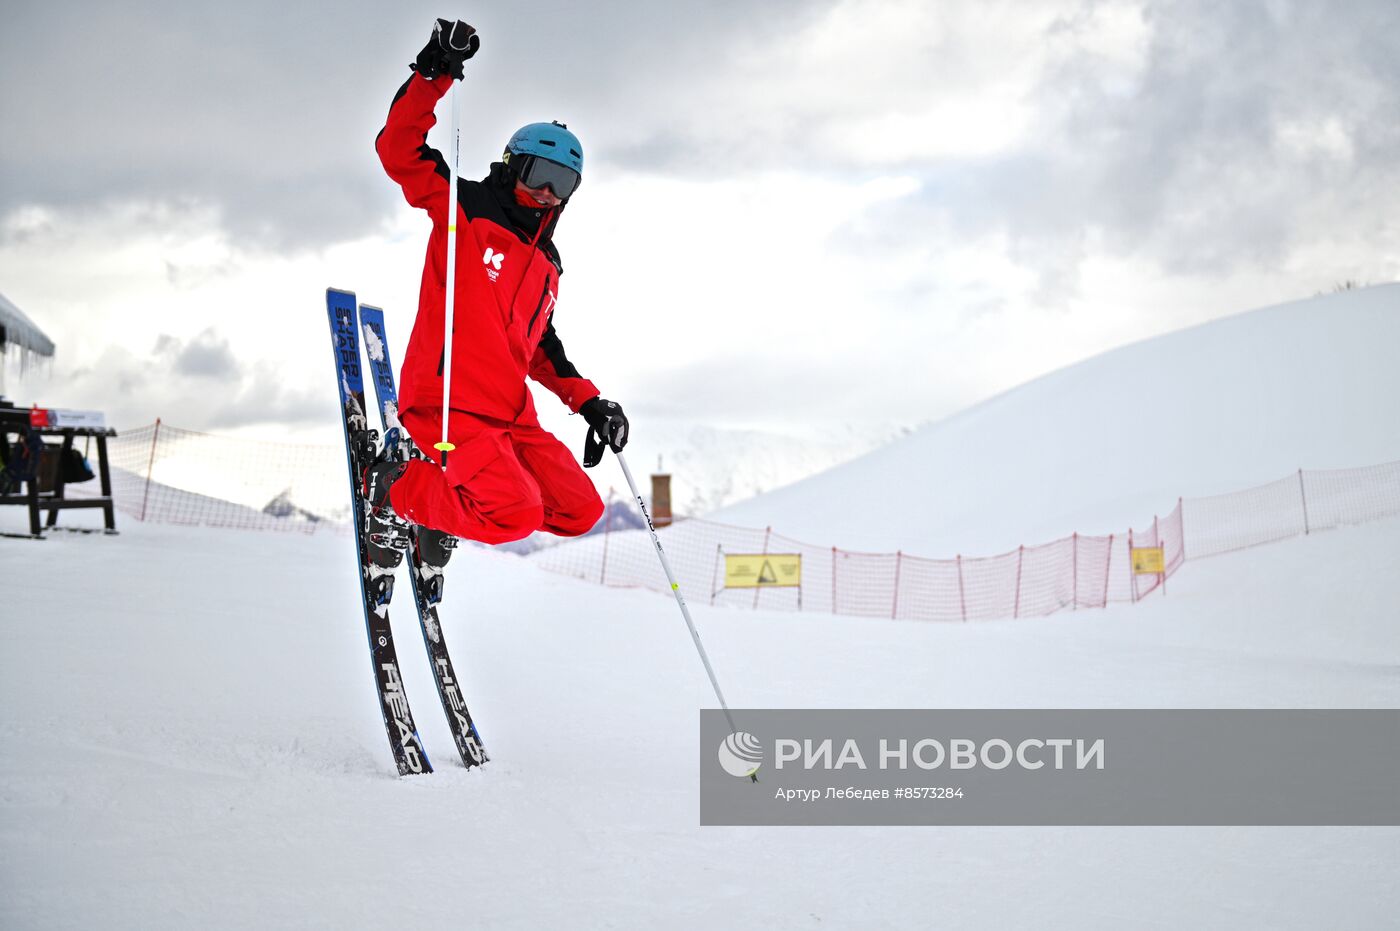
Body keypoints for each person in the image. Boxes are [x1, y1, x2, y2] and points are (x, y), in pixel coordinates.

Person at [366, 18, 629, 569]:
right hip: (448, 405)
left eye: (564, 184)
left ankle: (445, 504)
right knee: (514, 516)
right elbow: (398, 150)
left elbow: (539, 346)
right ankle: (395, 491)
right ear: (513, 166)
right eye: (540, 174)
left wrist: (590, 402)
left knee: (579, 509)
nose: (548, 193)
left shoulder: (549, 264)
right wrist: (434, 70)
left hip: (512, 418)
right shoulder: (465, 209)